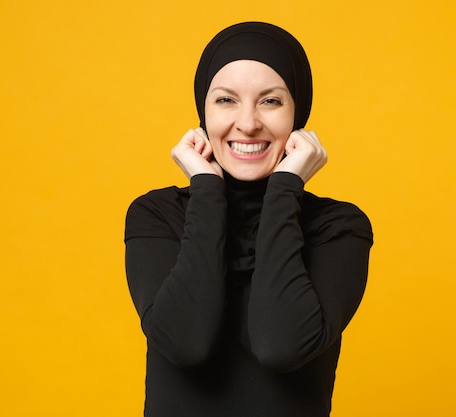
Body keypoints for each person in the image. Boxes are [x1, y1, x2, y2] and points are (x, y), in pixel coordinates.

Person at [125, 21, 373, 417]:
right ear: (202, 112)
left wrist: (285, 187)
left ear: (299, 113)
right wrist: (207, 189)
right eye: (226, 100)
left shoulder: (338, 227)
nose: (248, 122)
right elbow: (185, 343)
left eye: (270, 101)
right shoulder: (157, 215)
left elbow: (281, 345)